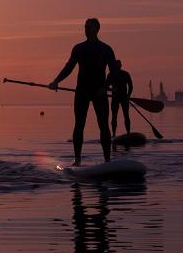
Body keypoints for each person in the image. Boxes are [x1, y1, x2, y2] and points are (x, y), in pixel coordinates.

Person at [48, 18, 116, 166]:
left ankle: (107, 160)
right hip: (82, 91)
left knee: (104, 125)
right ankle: (77, 160)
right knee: (79, 124)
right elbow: (69, 67)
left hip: (100, 92)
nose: (86, 30)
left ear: (97, 29)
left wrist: (104, 88)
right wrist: (56, 81)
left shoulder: (106, 49)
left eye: (89, 27)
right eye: (85, 27)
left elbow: (114, 72)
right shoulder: (78, 49)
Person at [106, 60, 133, 137]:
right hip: (115, 98)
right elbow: (106, 86)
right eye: (116, 66)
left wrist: (128, 95)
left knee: (126, 115)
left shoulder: (125, 74)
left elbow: (130, 86)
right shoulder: (111, 75)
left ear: (120, 66)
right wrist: (112, 89)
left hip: (124, 98)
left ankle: (128, 133)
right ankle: (114, 134)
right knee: (114, 116)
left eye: (118, 66)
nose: (117, 67)